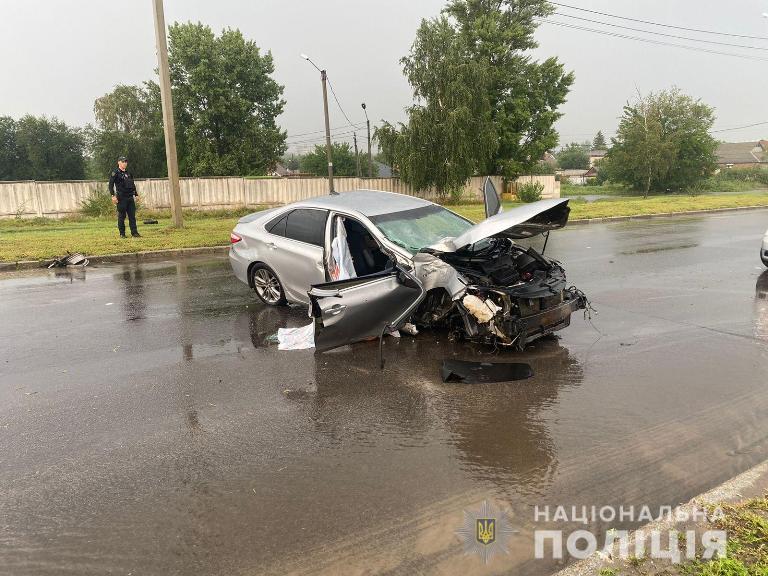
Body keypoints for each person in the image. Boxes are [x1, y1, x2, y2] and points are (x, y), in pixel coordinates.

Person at [109, 156, 141, 238]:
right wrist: (113, 195)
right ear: (119, 162)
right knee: (122, 216)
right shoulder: (115, 172)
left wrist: (136, 194)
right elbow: (111, 184)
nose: (125, 163)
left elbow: (132, 184)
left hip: (130, 197)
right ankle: (122, 234)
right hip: (121, 197)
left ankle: (134, 233)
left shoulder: (128, 173)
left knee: (132, 216)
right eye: (123, 162)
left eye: (126, 162)